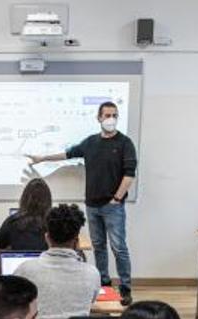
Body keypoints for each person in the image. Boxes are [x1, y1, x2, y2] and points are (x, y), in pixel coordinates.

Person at [27, 102, 138, 306]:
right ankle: (104, 283)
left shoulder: (125, 143)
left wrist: (116, 198)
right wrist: (42, 158)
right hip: (92, 205)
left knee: (119, 247)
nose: (111, 119)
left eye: (114, 115)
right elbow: (68, 154)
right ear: (99, 118)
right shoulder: (91, 142)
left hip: (113, 206)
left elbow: (129, 174)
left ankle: (125, 288)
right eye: (107, 115)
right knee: (98, 247)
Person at [15, 204, 101, 319]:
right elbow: (91, 301)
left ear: (47, 237)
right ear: (76, 242)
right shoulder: (92, 273)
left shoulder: (25, 269)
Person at [0, 177, 52, 251]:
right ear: (48, 200)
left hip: (18, 262)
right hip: (47, 262)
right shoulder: (54, 222)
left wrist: (9, 252)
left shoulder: (12, 221)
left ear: (24, 198)